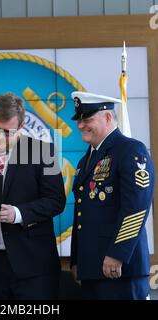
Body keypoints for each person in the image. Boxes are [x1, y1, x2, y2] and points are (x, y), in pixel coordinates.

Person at [0, 93, 66, 300]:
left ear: (22, 126)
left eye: (8, 133)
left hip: (32, 265)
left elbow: (56, 201)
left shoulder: (43, 152)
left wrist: (18, 214)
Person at [70, 91, 155, 300]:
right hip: (93, 269)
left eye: (87, 119)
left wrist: (117, 254)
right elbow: (82, 213)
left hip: (120, 269)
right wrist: (77, 260)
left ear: (108, 117)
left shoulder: (130, 150)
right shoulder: (85, 161)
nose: (80, 125)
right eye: (79, 120)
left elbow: (136, 207)